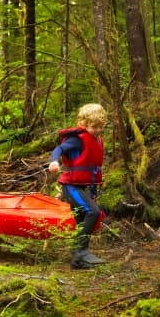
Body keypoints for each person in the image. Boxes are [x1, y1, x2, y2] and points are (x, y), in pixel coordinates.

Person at [49, 103, 107, 269]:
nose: (97, 130)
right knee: (93, 212)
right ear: (84, 123)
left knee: (82, 218)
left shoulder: (97, 139)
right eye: (93, 127)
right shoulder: (77, 139)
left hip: (84, 186)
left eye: (100, 127)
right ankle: (81, 253)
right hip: (71, 186)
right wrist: (54, 161)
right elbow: (59, 149)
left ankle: (78, 257)